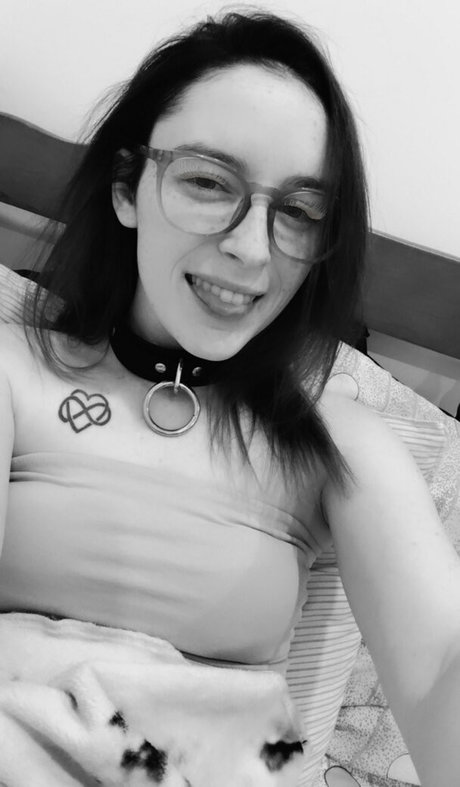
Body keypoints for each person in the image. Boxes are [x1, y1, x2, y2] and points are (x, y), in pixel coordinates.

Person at [1, 10, 460, 786]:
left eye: (300, 212)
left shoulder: (339, 436)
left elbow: (442, 660)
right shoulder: (14, 369)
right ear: (127, 187)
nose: (251, 249)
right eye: (209, 183)